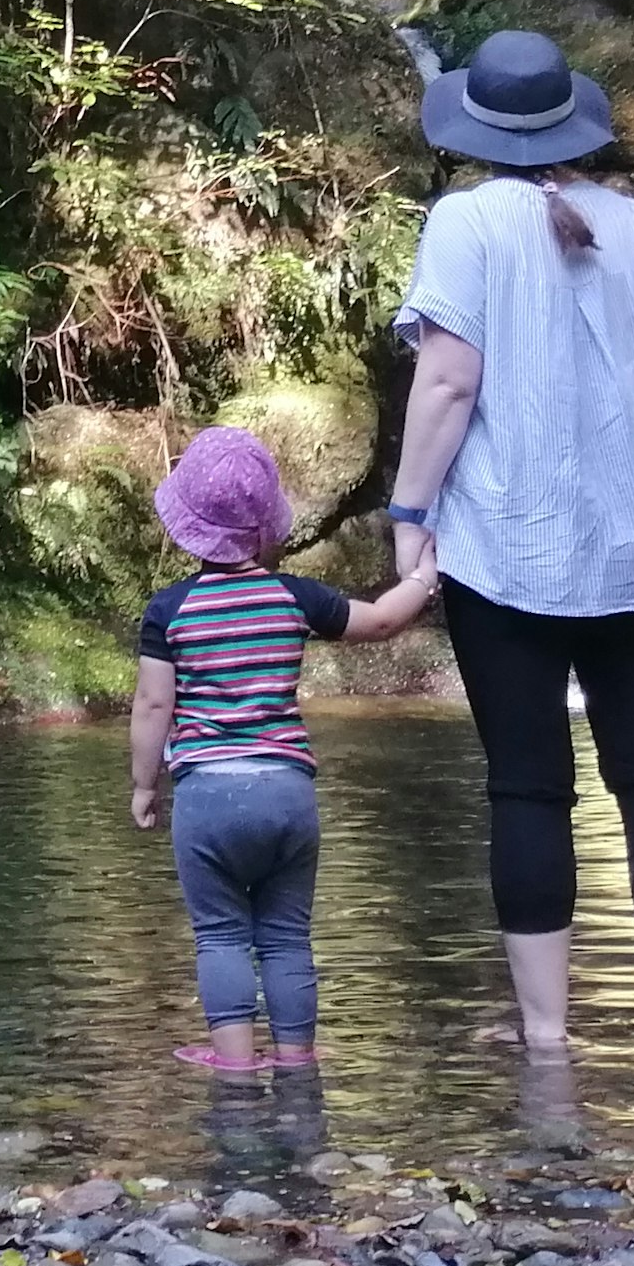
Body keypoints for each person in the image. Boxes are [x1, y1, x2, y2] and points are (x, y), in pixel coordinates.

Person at [380, 25, 634, 1063]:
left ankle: (546, 1036)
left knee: (530, 785)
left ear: (477, 129)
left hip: (506, 549)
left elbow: (447, 380)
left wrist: (408, 514)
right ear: (571, 121)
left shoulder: (465, 222)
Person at [130, 425, 441, 1074]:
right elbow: (381, 621)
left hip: (208, 794)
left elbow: (154, 706)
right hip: (286, 792)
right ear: (266, 524)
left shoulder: (170, 611)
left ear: (188, 525)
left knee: (220, 935)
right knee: (286, 935)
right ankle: (297, 1057)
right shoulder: (294, 597)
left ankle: (236, 1064)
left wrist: (142, 785)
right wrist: (422, 578)